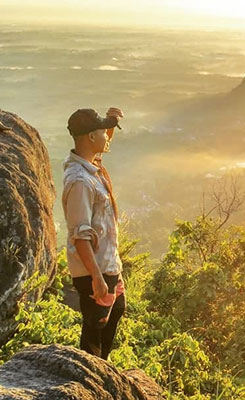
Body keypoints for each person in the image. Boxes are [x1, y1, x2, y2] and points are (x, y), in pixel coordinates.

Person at [62, 107, 125, 360]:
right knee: (95, 331)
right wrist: (97, 278)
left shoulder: (89, 164)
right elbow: (80, 235)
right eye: (102, 132)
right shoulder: (80, 181)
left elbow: (99, 147)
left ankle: (99, 370)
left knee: (117, 309)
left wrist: (110, 125)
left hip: (108, 265)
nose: (107, 137)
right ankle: (90, 379)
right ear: (89, 137)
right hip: (94, 270)